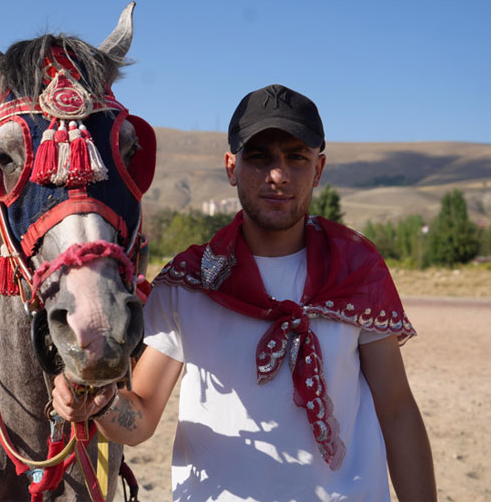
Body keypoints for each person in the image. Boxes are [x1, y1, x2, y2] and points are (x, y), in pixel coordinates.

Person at [53, 84, 437, 502]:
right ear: (231, 167)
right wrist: (100, 403)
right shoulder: (188, 282)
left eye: (296, 157)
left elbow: (397, 412)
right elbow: (142, 416)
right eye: (259, 157)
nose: (278, 175)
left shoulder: (356, 270)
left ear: (319, 168)